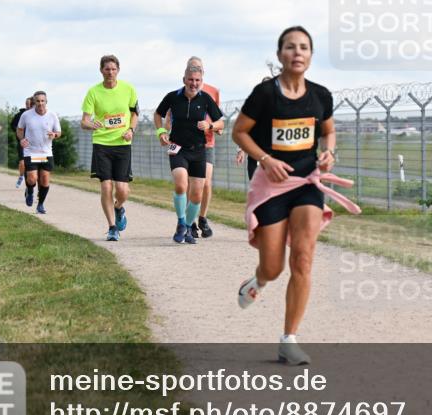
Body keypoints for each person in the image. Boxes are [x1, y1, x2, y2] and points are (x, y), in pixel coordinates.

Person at [232, 26, 359, 366]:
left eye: (304, 47)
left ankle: (289, 339)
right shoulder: (264, 94)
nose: (297, 53)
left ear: (311, 56)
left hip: (306, 185)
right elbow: (239, 131)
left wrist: (328, 153)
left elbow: (328, 131)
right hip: (272, 186)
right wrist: (266, 159)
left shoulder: (320, 95)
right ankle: (259, 280)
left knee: (303, 258)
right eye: (290, 47)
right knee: (273, 268)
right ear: (280, 55)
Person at [154, 61, 224, 244]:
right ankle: (181, 223)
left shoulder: (206, 99)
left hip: (199, 150)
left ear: (201, 80)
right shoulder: (172, 97)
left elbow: (220, 123)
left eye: (197, 80)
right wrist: (161, 132)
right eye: (190, 80)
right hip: (177, 148)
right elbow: (157, 114)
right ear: (184, 79)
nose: (194, 83)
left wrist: (209, 125)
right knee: (180, 184)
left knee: (197, 194)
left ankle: (188, 225)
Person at [81, 54, 139, 241]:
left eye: (114, 69)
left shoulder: (128, 89)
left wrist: (131, 129)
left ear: (118, 70)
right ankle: (112, 227)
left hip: (122, 143)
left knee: (122, 190)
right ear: (101, 71)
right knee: (106, 186)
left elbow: (134, 114)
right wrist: (92, 125)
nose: (110, 73)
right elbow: (84, 121)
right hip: (102, 144)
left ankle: (118, 207)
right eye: (107, 69)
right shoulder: (93, 92)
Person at [189, 58, 222, 240]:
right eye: (192, 69)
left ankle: (202, 218)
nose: (196, 72)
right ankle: (190, 221)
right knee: (191, 184)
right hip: (187, 144)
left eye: (199, 69)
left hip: (207, 143)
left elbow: (219, 121)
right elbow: (170, 119)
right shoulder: (181, 94)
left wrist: (213, 127)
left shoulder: (213, 91)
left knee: (206, 183)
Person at [17, 91, 61, 214]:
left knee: (45, 180)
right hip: (31, 152)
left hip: (46, 152)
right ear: (34, 102)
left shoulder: (52, 115)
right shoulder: (26, 115)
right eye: (38, 101)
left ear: (46, 102)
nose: (40, 103)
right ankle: (30, 191)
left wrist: (54, 134)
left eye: (43, 101)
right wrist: (22, 139)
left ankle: (40, 204)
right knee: (32, 179)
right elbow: (20, 130)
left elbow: (58, 132)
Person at [10, 97, 34, 188]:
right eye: (27, 104)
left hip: (34, 143)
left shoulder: (36, 115)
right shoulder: (20, 115)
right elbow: (13, 125)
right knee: (22, 162)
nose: (28, 105)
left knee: (33, 163)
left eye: (30, 104)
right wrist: (18, 131)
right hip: (22, 142)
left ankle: (32, 180)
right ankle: (21, 176)